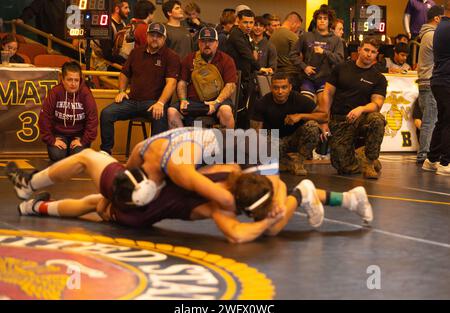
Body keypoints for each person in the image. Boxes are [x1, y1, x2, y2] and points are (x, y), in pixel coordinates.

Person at [6, 151, 373, 244]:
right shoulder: (219, 198)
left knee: (91, 193)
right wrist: (281, 200)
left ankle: (32, 198)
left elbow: (145, 156)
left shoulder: (218, 175)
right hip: (135, 209)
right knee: (94, 208)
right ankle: (34, 203)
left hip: (128, 184)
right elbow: (238, 234)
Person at [99, 23, 181, 155]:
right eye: (152, 35)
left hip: (154, 102)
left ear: (164, 39)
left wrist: (160, 103)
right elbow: (125, 73)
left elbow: (171, 83)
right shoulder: (136, 52)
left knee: (159, 116)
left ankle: (155, 154)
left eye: (158, 36)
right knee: (107, 113)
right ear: (147, 36)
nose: (155, 38)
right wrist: (121, 91)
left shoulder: (171, 56)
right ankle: (106, 150)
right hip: (132, 101)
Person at [320, 37, 387, 179]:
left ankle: (369, 162)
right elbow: (327, 93)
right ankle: (361, 156)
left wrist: (361, 109)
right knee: (343, 167)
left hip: (362, 118)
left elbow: (377, 104)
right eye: (366, 50)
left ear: (377, 55)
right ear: (359, 50)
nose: (369, 54)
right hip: (340, 119)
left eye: (373, 52)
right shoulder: (341, 68)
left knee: (377, 119)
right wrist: (324, 120)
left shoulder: (379, 78)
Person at [251, 72, 326, 175]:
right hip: (274, 140)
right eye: (276, 88)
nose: (280, 91)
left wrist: (300, 115)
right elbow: (256, 133)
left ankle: (299, 161)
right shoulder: (263, 103)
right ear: (271, 88)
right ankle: (285, 161)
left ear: (290, 87)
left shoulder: (299, 99)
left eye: (284, 87)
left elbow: (324, 116)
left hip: (294, 139)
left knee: (312, 126)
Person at [168, 27, 237, 129]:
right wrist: (182, 99)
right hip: (193, 102)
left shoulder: (226, 60)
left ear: (217, 43)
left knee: (226, 111)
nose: (207, 44)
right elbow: (182, 82)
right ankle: (183, 143)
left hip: (218, 100)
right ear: (199, 43)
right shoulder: (190, 58)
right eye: (203, 41)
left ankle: (228, 144)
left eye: (211, 41)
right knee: (171, 112)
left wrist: (216, 102)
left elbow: (230, 85)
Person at [38, 62, 98, 162]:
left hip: (79, 135)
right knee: (57, 156)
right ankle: (66, 152)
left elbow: (93, 119)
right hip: (59, 134)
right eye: (69, 80)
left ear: (80, 80)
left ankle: (73, 151)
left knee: (78, 157)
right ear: (63, 79)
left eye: (76, 80)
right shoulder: (55, 92)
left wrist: (84, 141)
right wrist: (51, 140)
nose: (73, 84)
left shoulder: (85, 93)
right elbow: (44, 117)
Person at [290, 5, 344, 103]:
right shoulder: (306, 36)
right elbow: (292, 54)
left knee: (323, 107)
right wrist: (304, 67)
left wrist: (324, 52)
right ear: (316, 20)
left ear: (329, 21)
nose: (322, 21)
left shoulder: (336, 40)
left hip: (326, 79)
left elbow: (340, 59)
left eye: (325, 18)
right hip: (308, 79)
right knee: (306, 105)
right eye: (319, 18)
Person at [422, 0, 450, 176]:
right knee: (449, 121)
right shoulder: (447, 27)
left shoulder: (441, 27)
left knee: (443, 120)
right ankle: (446, 162)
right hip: (446, 80)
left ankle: (431, 159)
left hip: (439, 79)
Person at [416, 5, 443, 164]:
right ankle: (424, 154)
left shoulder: (427, 34)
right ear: (437, 18)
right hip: (430, 82)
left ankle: (428, 153)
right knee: (430, 121)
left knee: (432, 120)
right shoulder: (432, 35)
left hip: (427, 82)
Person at [269, 12, 303, 90]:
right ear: (294, 23)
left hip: (276, 74)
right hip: (291, 75)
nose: (297, 29)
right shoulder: (292, 36)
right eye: (298, 27)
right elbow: (299, 56)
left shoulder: (273, 35)